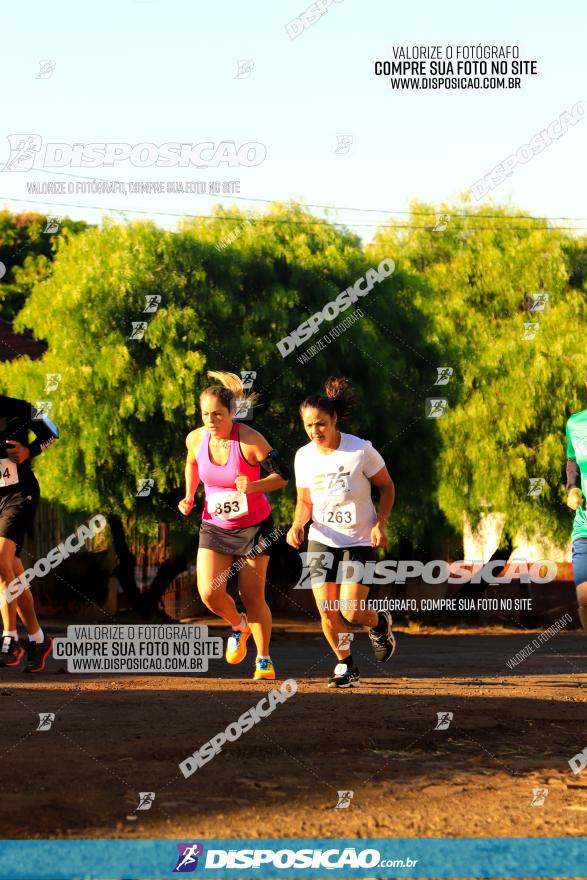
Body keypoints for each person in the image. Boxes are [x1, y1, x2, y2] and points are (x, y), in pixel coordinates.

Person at [286, 376, 396, 688]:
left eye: (320, 423)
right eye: (308, 425)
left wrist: (380, 523)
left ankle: (379, 621)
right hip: (322, 537)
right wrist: (297, 524)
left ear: (334, 420)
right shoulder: (303, 456)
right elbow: (304, 500)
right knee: (327, 610)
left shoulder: (360, 451)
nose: (314, 431)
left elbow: (387, 487)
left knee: (350, 611)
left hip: (360, 538)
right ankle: (346, 665)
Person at [178, 372, 289, 680]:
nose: (211, 420)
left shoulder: (251, 441)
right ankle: (238, 627)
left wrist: (253, 486)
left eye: (217, 414)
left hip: (255, 527)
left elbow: (282, 476)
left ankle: (263, 659)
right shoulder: (196, 439)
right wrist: (189, 495)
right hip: (215, 525)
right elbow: (192, 463)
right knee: (209, 593)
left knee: (252, 596)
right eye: (205, 414)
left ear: (231, 413)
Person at [0, 396, 59, 672]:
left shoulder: (19, 408)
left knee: (1, 558)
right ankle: (38, 638)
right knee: (11, 568)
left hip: (19, 495)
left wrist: (29, 451)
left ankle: (9, 639)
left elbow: (52, 432)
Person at [565, 396, 587, 631]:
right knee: (584, 599)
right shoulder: (576, 423)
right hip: (585, 524)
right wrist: (572, 489)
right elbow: (572, 460)